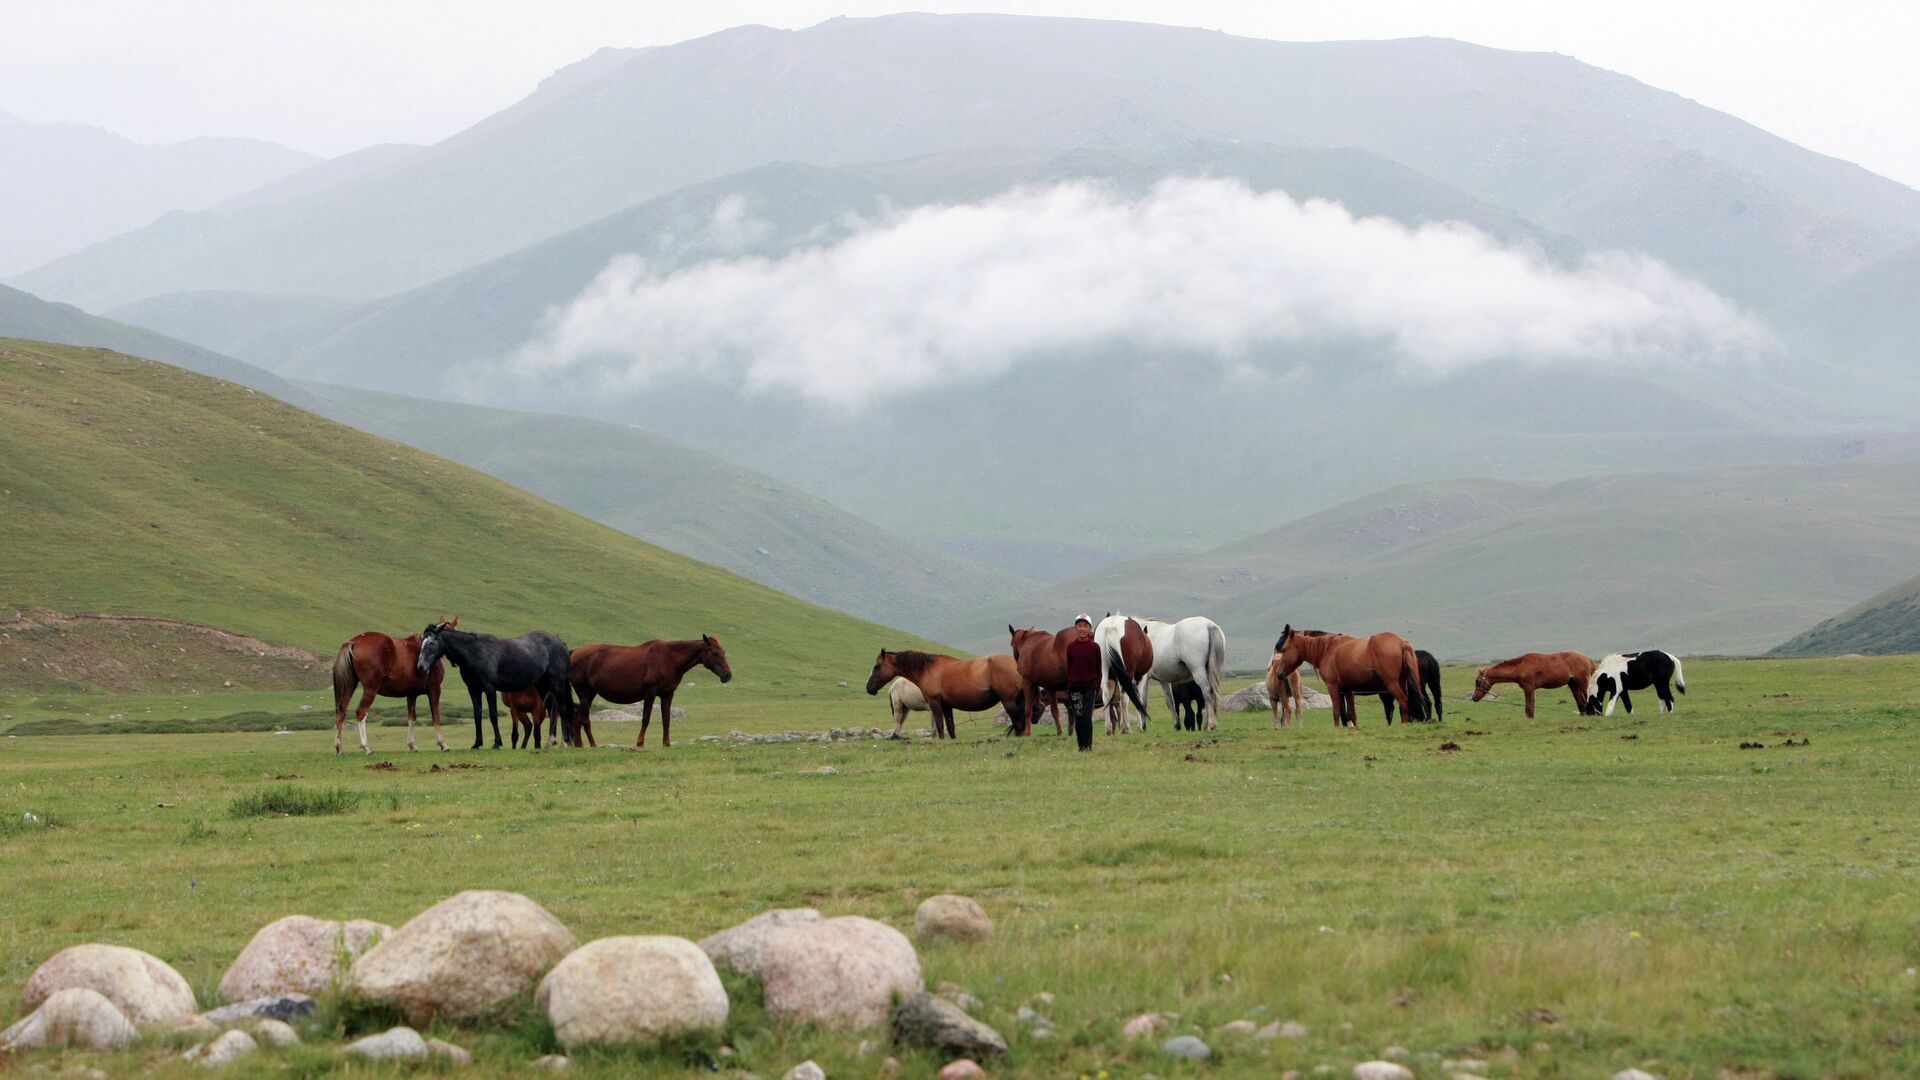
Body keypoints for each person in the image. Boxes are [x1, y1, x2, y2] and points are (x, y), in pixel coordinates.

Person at [1065, 614, 1103, 752]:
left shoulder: (1095, 648)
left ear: (1089, 629)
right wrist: (1070, 683)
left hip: (1089, 687)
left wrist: (1097, 687)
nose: (1082, 629)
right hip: (1075, 687)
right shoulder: (1071, 647)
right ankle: (1081, 746)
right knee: (1079, 717)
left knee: (1087, 717)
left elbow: (1098, 669)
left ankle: (1088, 746)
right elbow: (1069, 667)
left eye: (1085, 626)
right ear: (1075, 628)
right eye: (1079, 626)